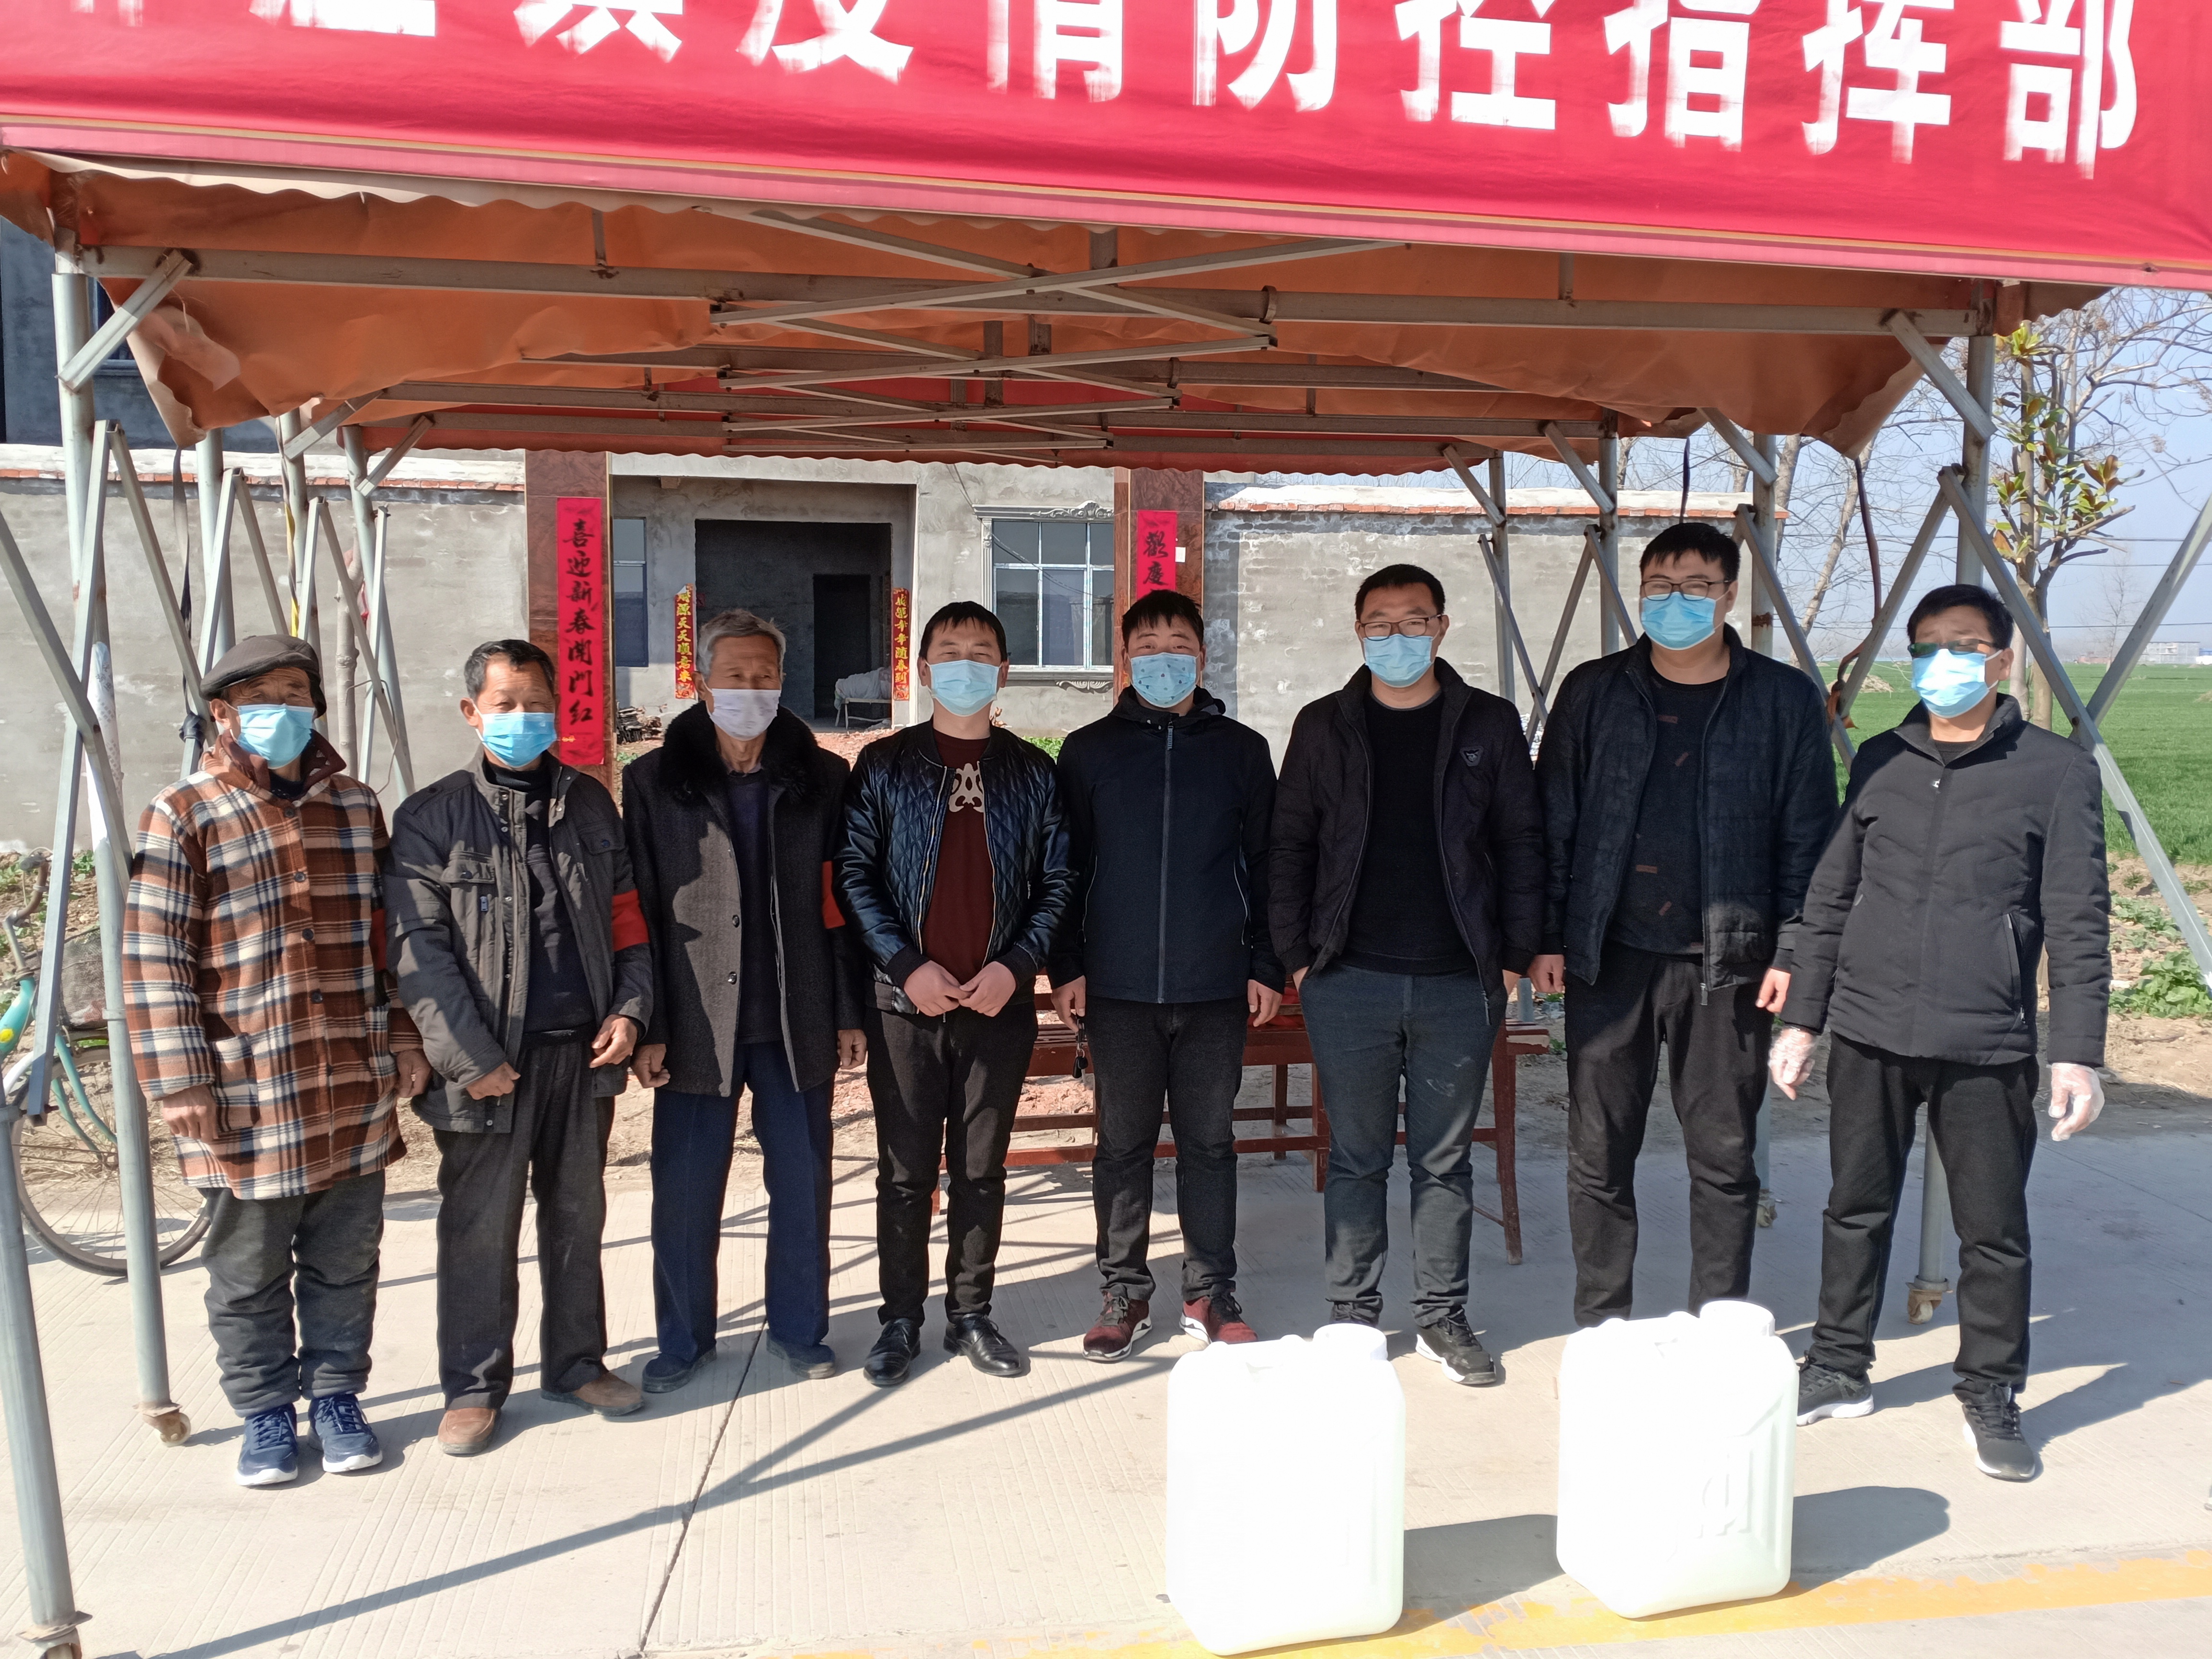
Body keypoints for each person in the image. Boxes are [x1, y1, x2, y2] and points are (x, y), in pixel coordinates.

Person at [1777, 584, 2111, 1482]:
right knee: (1855, 1208)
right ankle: (1838, 1365)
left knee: (1992, 1230)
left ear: (2002, 658)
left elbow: (2079, 918)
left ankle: (1990, 1390)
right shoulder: (1882, 758)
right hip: (1872, 1025)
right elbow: (1832, 895)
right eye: (1927, 646)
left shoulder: (2054, 771)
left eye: (1963, 645)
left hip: (1986, 1039)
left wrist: (2078, 1053)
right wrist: (1803, 1018)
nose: (1943, 661)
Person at [123, 635, 430, 1487]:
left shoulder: (356, 806)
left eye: (296, 693)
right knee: (247, 1268)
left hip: (349, 1077)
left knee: (347, 1259)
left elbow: (389, 939)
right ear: (223, 713)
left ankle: (336, 1397)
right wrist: (181, 1080)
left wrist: (405, 1035)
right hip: (246, 1088)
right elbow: (155, 956)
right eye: (260, 697)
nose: (281, 710)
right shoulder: (184, 812)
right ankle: (264, 1411)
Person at [1532, 521, 1837, 1332]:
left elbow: (1808, 837)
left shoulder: (1782, 700)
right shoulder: (1594, 692)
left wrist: (1794, 949)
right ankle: (1603, 1323)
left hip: (1729, 962)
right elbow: (1554, 819)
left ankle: (1719, 1325)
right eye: (1660, 588)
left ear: (1729, 595)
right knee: (1599, 1151)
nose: (1676, 602)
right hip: (1610, 954)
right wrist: (1548, 935)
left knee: (1725, 1154)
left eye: (1696, 587)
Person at [1269, 563, 1545, 1387]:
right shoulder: (1324, 725)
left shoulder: (1487, 723)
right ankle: (1353, 1314)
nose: (1397, 637)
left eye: (1413, 621)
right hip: (1348, 977)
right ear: (1359, 633)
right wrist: (1299, 958)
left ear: (1442, 627)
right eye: (1380, 624)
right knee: (1355, 1156)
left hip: (1459, 979)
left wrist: (1513, 956)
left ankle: (1441, 1315)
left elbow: (1521, 840)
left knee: (1443, 1160)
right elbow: (1290, 844)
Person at [387, 638, 653, 1456]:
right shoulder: (431, 817)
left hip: (582, 1053)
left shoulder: (590, 803)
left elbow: (628, 919)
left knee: (577, 1218)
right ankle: (473, 1389)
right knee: (480, 1231)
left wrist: (632, 1011)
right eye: (506, 705)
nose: (524, 718)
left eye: (538, 704)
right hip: (487, 1067)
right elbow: (419, 952)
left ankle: (577, 1364)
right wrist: (470, 1058)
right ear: (473, 713)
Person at [622, 610, 866, 1388]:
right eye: (735, 675)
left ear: (782, 681)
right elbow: (641, 907)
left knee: (802, 1185)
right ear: (702, 683)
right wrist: (650, 1022)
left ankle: (800, 1329)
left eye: (765, 675)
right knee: (686, 1194)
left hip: (797, 1017)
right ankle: (683, 1340)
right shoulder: (654, 782)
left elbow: (841, 904)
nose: (751, 688)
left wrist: (848, 1012)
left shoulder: (821, 777)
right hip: (696, 1022)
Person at [837, 600, 1074, 1386]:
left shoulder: (1033, 772)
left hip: (998, 1003)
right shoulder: (884, 765)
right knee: (905, 1173)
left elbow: (1058, 881)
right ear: (924, 668)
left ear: (1002, 672)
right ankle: (899, 1319)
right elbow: (855, 874)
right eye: (949, 651)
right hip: (905, 1005)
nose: (964, 664)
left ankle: (971, 1314)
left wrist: (1018, 964)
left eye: (981, 653)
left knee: (981, 1170)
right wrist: (906, 964)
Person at [1052, 588, 1283, 1362]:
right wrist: (1068, 964)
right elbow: (1065, 868)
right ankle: (1124, 1291)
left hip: (1216, 984)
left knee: (1209, 1144)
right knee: (1122, 1145)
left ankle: (1210, 1290)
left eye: (1178, 644)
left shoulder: (1242, 751)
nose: (1163, 658)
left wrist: (1266, 964)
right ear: (1125, 658)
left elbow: (1269, 863)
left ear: (1203, 657)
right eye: (1147, 646)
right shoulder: (1088, 751)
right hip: (1116, 988)